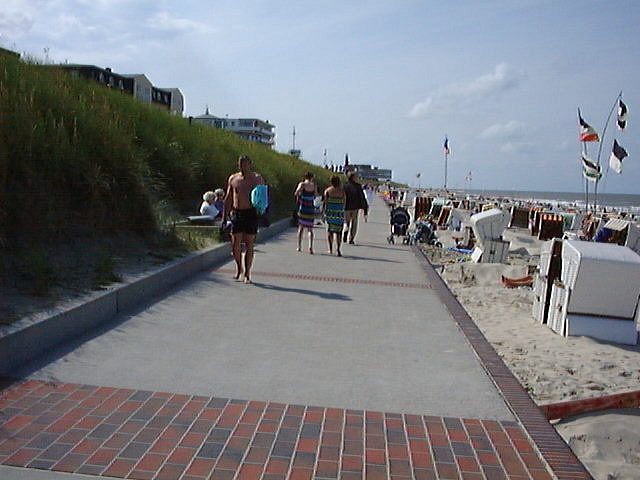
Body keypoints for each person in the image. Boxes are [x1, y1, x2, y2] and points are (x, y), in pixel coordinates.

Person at [223, 155, 264, 284]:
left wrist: (262, 212)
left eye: (245, 164)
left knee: (249, 244)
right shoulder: (233, 178)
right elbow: (228, 197)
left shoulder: (257, 178)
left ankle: (247, 273)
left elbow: (263, 197)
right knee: (235, 243)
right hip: (237, 213)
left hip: (250, 213)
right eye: (241, 164)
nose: (243, 166)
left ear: (250, 164)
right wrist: (224, 216)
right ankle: (239, 268)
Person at [342, 171, 368, 244]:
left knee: (346, 222)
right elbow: (362, 197)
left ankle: (345, 230)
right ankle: (351, 238)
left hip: (346, 207)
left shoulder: (345, 186)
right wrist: (365, 208)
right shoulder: (358, 186)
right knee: (354, 223)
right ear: (353, 177)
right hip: (355, 207)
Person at [294, 172, 317, 253]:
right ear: (311, 177)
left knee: (301, 228)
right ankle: (310, 246)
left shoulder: (302, 184)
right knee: (310, 229)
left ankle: (299, 246)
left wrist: (300, 195)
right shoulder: (314, 185)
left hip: (303, 207)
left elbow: (296, 193)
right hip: (311, 208)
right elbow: (315, 196)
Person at [323, 175, 345, 256]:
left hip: (330, 213)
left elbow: (325, 203)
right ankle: (338, 249)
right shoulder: (342, 191)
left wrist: (323, 212)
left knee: (330, 231)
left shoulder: (328, 191)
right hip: (339, 213)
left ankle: (330, 249)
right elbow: (344, 202)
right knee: (339, 232)